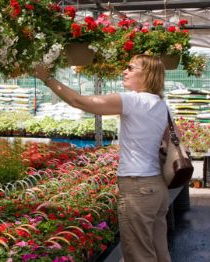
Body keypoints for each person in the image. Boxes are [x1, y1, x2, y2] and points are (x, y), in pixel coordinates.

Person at [33, 54, 171, 262]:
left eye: (130, 67)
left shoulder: (133, 100)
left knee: (139, 255)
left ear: (147, 74)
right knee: (159, 251)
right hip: (157, 187)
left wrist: (47, 78)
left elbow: (78, 101)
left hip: (138, 189)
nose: (124, 71)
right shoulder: (161, 105)